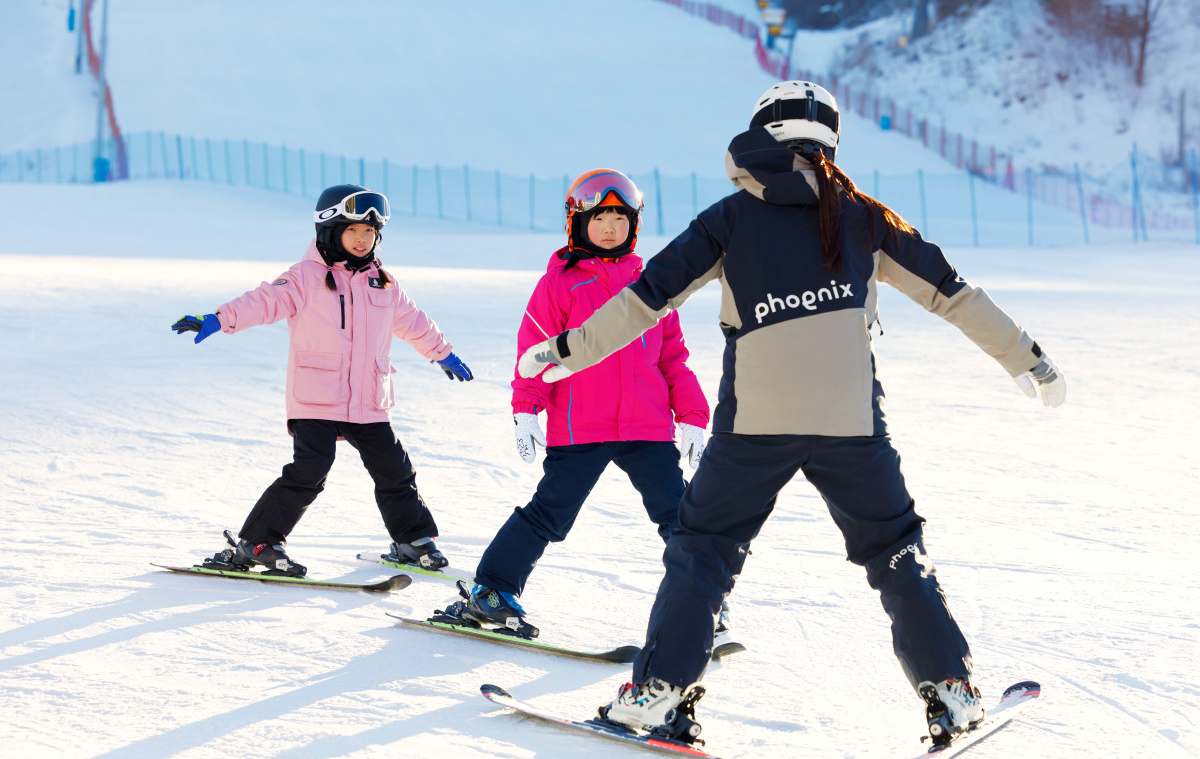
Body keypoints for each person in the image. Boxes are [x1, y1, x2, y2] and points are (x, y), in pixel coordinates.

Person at [517, 82, 1066, 745]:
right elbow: (953, 293)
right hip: (851, 421)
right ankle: (950, 690)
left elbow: (646, 298)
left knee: (704, 549)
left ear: (759, 135)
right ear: (831, 139)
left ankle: (658, 695)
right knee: (895, 548)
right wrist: (1027, 359)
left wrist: (569, 351)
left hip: (756, 419)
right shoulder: (865, 216)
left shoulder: (729, 217)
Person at [447, 169, 710, 638]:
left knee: (680, 515)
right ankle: (491, 590)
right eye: (599, 217)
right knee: (550, 513)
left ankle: (702, 601)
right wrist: (526, 407)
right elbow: (533, 353)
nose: (610, 227)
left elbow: (673, 358)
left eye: (620, 217)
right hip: (581, 427)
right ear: (577, 222)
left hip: (647, 429)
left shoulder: (651, 285)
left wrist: (692, 413)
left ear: (635, 224)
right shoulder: (558, 284)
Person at [171, 184, 474, 578]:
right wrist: (219, 319)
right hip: (317, 395)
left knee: (395, 469)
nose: (363, 240)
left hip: (368, 398)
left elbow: (413, 320)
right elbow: (264, 302)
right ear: (330, 231)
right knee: (310, 470)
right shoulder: (305, 278)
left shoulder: (382, 281)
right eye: (354, 231)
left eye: (370, 232)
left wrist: (441, 352)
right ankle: (257, 543)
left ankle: (413, 540)